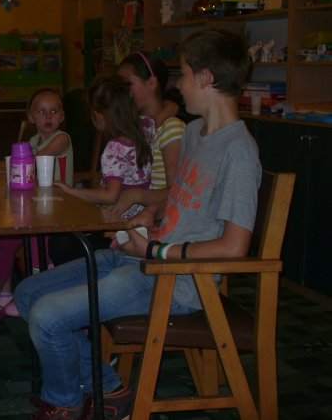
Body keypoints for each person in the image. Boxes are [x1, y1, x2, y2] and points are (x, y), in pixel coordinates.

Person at [15, 29, 261, 420]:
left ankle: (66, 402)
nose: (178, 85)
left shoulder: (239, 152)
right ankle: (109, 389)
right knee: (27, 292)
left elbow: (234, 247)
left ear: (206, 78)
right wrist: (148, 216)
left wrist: (155, 249)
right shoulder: (195, 132)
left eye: (183, 74)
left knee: (47, 316)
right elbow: (178, 197)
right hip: (143, 260)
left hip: (177, 281)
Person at [0, 88, 73, 322]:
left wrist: (9, 162)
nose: (48, 116)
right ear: (31, 117)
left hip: (59, 209)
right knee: (4, 238)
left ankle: (32, 294)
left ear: (62, 116)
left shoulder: (61, 139)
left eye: (54, 111)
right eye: (41, 112)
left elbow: (33, 161)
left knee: (34, 242)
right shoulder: (33, 141)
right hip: (36, 207)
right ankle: (2, 292)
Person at [56, 76, 154, 222]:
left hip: (119, 221)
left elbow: (110, 196)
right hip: (143, 214)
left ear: (98, 115)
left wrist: (71, 191)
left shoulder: (115, 149)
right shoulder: (147, 126)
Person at [108, 51, 185, 220]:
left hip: (155, 225)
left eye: (127, 84)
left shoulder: (171, 128)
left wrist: (137, 195)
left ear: (151, 83)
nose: (121, 92)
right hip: (132, 221)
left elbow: (179, 191)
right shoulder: (135, 127)